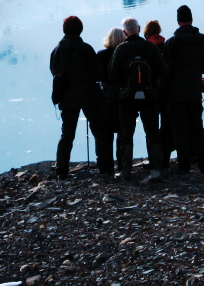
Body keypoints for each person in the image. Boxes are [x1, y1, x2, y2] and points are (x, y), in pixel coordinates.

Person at [161, 5, 204, 175]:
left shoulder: (172, 43)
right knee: (197, 128)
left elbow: (165, 70)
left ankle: (184, 166)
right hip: (195, 92)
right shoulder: (203, 40)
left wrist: (163, 92)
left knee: (179, 130)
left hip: (175, 94)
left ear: (178, 21)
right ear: (191, 19)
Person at [49, 15, 112, 179]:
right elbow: (97, 73)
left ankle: (62, 170)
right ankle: (105, 167)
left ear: (64, 30)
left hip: (67, 97)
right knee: (99, 131)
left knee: (67, 134)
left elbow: (54, 72)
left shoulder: (56, 51)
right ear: (80, 29)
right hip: (90, 96)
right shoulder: (86, 49)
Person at [109, 17, 167, 181]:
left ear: (125, 32)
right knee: (153, 132)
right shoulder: (151, 47)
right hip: (149, 97)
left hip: (127, 98)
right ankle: (159, 168)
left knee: (126, 134)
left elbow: (112, 75)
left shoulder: (120, 49)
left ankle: (126, 170)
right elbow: (163, 70)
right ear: (139, 29)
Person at [97, 27, 127, 175]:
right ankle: (123, 164)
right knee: (123, 133)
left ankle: (106, 167)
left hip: (106, 99)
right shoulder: (125, 55)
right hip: (122, 98)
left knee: (105, 134)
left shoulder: (101, 55)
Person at [143, 19, 173, 163]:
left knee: (151, 127)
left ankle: (153, 159)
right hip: (166, 91)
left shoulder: (145, 48)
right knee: (166, 125)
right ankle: (166, 158)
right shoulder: (166, 46)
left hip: (150, 92)